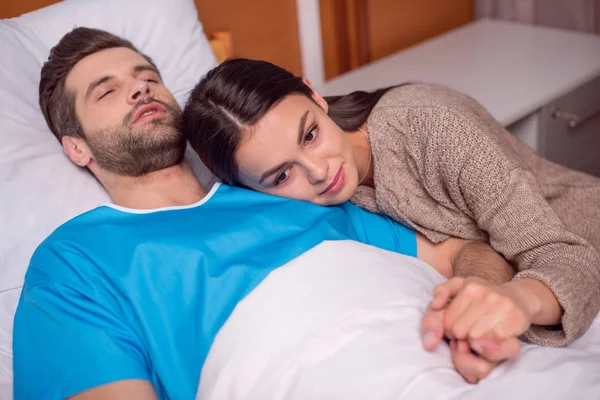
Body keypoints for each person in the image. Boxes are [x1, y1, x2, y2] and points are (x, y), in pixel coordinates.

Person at [13, 28, 517, 399]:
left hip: (453, 361)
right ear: (77, 148)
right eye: (107, 91)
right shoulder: (74, 262)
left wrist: (483, 300)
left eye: (148, 77)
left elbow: (461, 253)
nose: (140, 88)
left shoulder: (281, 187)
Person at [181, 58, 600, 351]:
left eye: (309, 135)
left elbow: (566, 254)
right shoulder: (303, 209)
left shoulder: (433, 126)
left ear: (314, 93)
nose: (319, 171)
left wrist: (517, 300)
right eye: (282, 175)